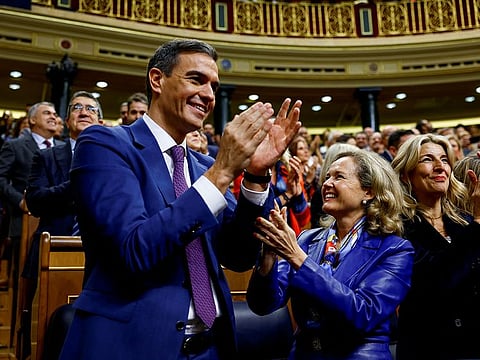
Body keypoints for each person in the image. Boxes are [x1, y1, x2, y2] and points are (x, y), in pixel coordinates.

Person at [58, 38, 302, 360]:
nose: (208, 95)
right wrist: (224, 169)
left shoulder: (204, 166)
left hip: (213, 347)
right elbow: (133, 249)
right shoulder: (106, 144)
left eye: (214, 86)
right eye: (196, 80)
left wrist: (256, 175)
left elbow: (239, 256)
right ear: (157, 80)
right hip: (130, 345)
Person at [247, 150, 414, 360]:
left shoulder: (394, 249)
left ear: (368, 192)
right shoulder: (307, 239)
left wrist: (299, 259)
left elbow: (365, 314)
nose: (327, 183)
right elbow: (263, 304)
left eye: (339, 177)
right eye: (327, 177)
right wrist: (269, 257)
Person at [17, 91, 103, 358]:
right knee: (47, 335)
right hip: (52, 250)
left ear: (100, 121)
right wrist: (77, 183)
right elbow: (36, 201)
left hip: (100, 255)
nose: (84, 111)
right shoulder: (47, 157)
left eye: (91, 108)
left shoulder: (114, 157)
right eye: (77, 107)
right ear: (67, 120)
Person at [391, 134, 480, 360]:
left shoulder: (464, 221)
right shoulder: (396, 228)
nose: (440, 167)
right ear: (405, 175)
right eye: (428, 160)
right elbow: (437, 281)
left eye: (444, 159)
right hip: (428, 348)